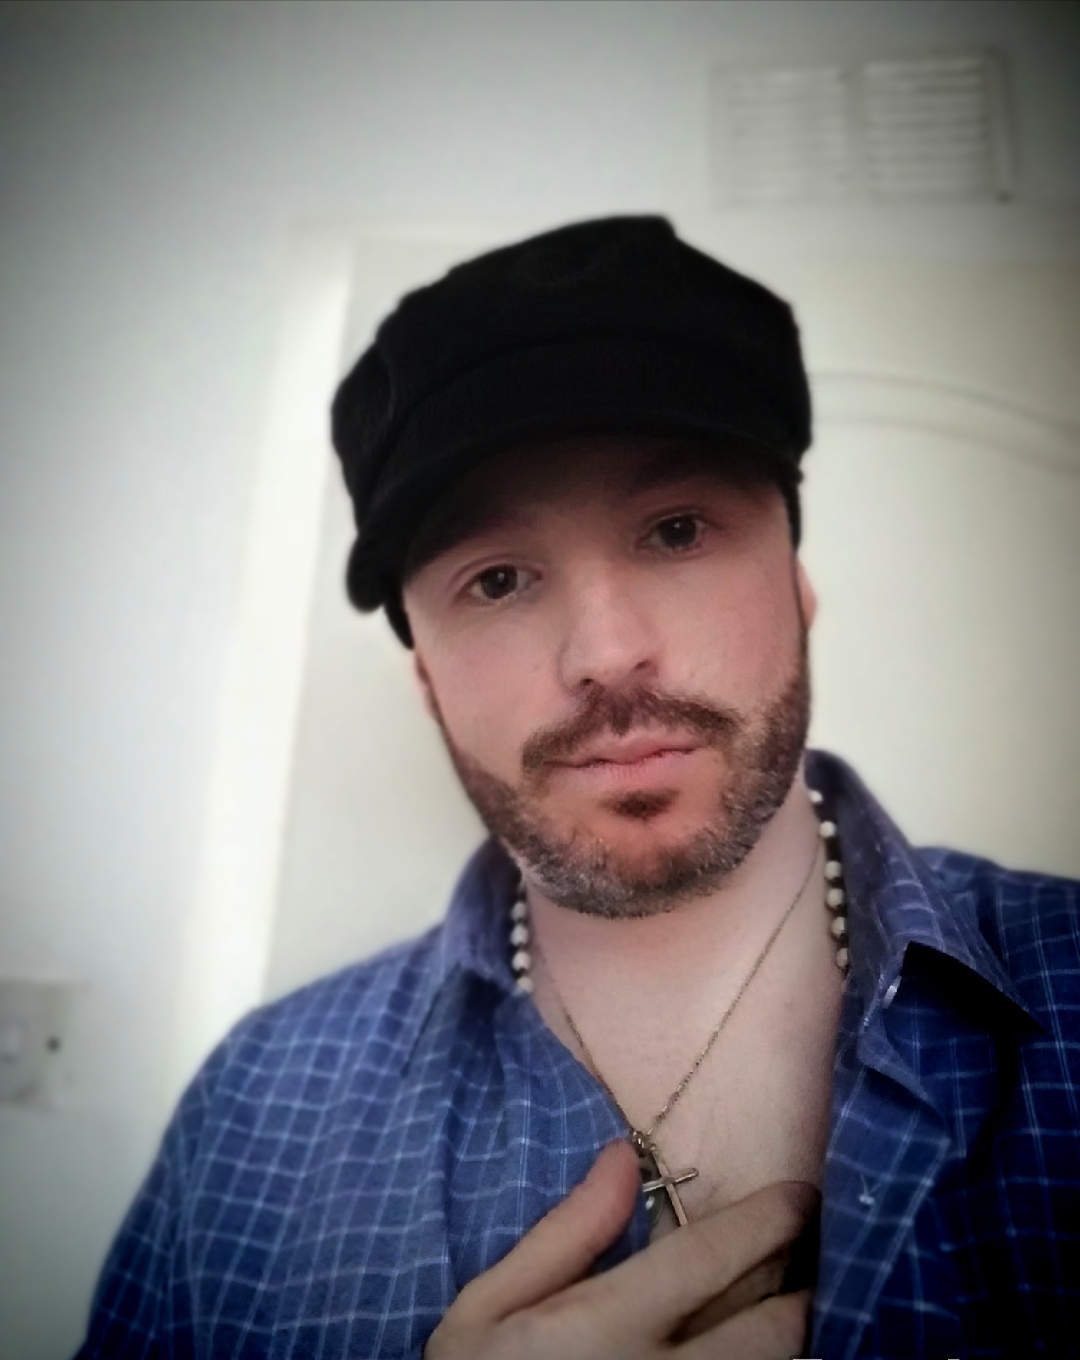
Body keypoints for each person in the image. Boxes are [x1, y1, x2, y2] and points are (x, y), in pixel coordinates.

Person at [79, 218, 1080, 1360]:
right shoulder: (254, 1109)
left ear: (797, 591)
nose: (606, 653)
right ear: (428, 681)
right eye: (498, 578)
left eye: (677, 529)